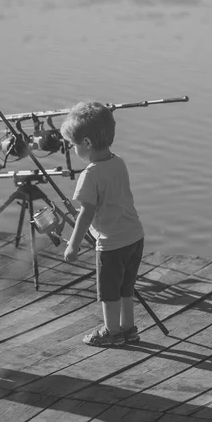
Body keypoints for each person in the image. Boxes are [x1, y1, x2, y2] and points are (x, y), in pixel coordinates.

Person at [60, 101, 145, 347]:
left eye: (73, 145)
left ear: (86, 143)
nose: (73, 149)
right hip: (135, 236)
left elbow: (86, 213)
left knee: (109, 293)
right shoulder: (119, 162)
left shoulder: (90, 175)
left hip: (112, 244)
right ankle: (129, 329)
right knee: (126, 288)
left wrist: (73, 246)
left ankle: (111, 332)